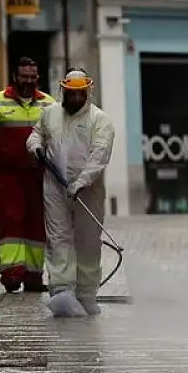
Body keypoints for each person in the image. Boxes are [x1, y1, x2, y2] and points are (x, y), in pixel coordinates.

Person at [26, 68, 115, 317]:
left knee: (88, 242)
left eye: (80, 94)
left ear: (87, 92)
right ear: (63, 91)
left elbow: (100, 155)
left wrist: (81, 182)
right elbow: (36, 134)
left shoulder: (100, 120)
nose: (75, 98)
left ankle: (86, 294)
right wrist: (34, 146)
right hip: (55, 187)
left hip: (88, 191)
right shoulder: (50, 114)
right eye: (71, 93)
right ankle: (62, 290)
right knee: (58, 239)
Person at [0, 57, 55, 293]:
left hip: (39, 177)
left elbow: (59, 139)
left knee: (37, 226)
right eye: (24, 77)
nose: (28, 81)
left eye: (33, 77)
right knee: (10, 223)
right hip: (8, 177)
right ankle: (11, 273)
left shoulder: (49, 105)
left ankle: (34, 276)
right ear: (15, 77)